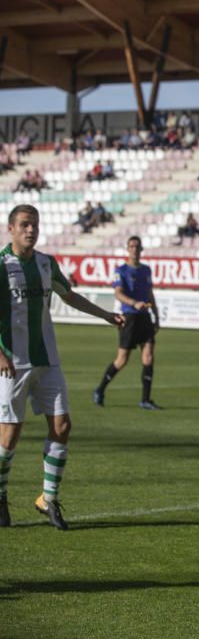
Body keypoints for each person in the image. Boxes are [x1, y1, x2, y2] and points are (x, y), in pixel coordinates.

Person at [0, 205, 124, 530]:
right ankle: (0, 495)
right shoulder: (1, 265)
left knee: (63, 426)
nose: (31, 230)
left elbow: (69, 296)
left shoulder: (45, 263)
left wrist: (106, 315)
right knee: (10, 436)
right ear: (11, 229)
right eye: (25, 225)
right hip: (12, 363)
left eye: (35, 224)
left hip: (48, 360)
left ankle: (48, 499)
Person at [92, 236, 161, 410]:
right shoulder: (121, 270)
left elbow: (150, 294)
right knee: (122, 360)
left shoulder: (146, 270)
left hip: (145, 317)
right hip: (129, 317)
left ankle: (145, 399)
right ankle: (100, 389)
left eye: (137, 246)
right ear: (127, 249)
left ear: (141, 249)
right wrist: (133, 303)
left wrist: (156, 315)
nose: (134, 249)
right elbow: (118, 293)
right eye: (131, 246)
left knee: (148, 356)